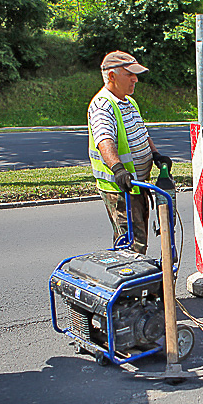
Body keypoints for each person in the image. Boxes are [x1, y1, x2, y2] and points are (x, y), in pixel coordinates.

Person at [87, 51, 172, 254]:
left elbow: (142, 133)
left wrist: (155, 155)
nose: (135, 79)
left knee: (139, 240)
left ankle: (137, 280)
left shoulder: (128, 101)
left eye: (136, 74)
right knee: (131, 245)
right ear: (112, 76)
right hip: (121, 189)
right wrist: (118, 169)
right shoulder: (103, 105)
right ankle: (128, 283)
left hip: (137, 186)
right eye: (129, 74)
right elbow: (104, 140)